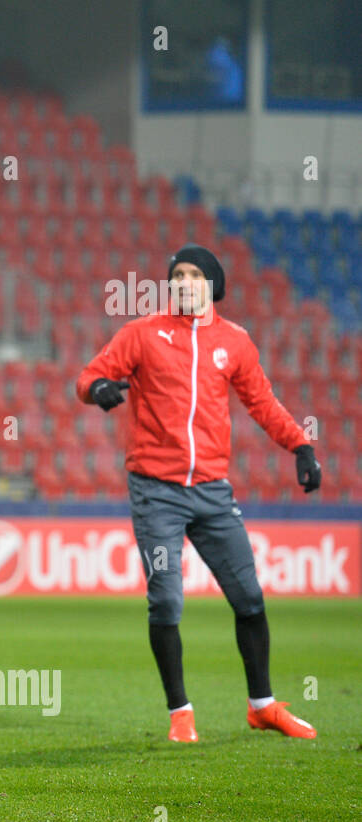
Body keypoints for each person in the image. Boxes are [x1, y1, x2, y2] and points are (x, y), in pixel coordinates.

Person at [76, 244, 321, 743]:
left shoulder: (235, 342)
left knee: (249, 597)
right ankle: (180, 713)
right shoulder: (141, 333)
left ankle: (263, 706)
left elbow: (262, 402)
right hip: (156, 493)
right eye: (177, 275)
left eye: (193, 275)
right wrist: (99, 388)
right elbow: (87, 376)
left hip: (212, 492)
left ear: (212, 285)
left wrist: (300, 445)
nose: (184, 282)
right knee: (166, 602)